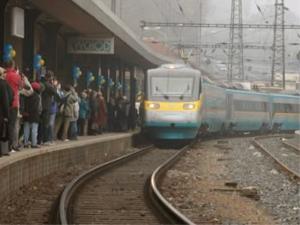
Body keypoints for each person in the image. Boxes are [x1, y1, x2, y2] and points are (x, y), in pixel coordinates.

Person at [4, 60, 24, 151]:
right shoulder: (15, 76)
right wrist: (20, 76)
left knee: (4, 125)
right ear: (13, 66)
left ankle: (4, 146)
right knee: (13, 125)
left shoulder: (3, 75)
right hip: (14, 103)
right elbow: (21, 86)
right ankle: (11, 146)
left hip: (3, 103)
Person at [39, 70, 60, 145]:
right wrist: (54, 85)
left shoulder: (41, 82)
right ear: (50, 77)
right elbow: (54, 92)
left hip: (41, 105)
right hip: (46, 106)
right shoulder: (48, 84)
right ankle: (46, 140)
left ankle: (39, 140)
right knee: (46, 124)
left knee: (41, 124)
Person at [23, 82, 42, 148]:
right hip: (34, 115)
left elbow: (24, 104)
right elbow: (37, 107)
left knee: (26, 129)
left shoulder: (26, 94)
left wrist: (25, 112)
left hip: (26, 114)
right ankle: (34, 144)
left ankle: (25, 143)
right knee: (34, 130)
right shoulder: (37, 96)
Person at [0, 67, 13, 156]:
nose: (5, 74)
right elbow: (6, 100)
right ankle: (2, 151)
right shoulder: (3, 84)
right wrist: (7, 115)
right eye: (4, 72)